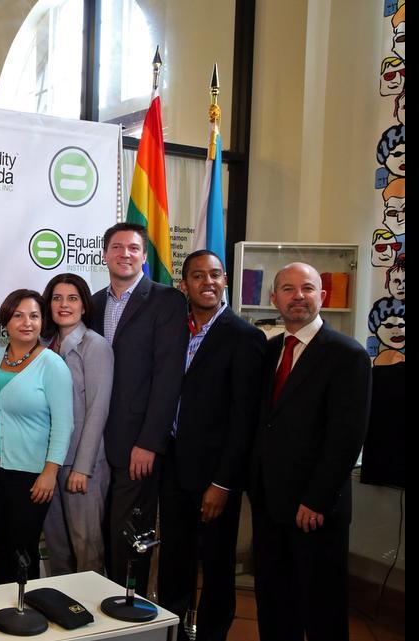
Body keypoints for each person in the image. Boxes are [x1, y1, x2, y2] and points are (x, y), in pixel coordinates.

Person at [249, 262, 371, 641]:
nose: (297, 296)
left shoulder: (346, 354)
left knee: (321, 609)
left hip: (314, 509)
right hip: (269, 503)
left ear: (323, 295)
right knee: (273, 601)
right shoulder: (270, 351)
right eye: (287, 289)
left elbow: (347, 437)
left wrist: (317, 500)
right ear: (274, 299)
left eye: (307, 288)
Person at [157, 250, 266, 641]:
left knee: (216, 566)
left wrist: (223, 482)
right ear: (183, 285)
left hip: (214, 477)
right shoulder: (175, 329)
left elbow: (244, 420)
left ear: (225, 281)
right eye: (198, 276)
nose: (208, 282)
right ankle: (173, 632)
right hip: (173, 466)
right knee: (173, 561)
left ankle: (212, 635)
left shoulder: (245, 337)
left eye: (215, 275)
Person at [88, 222, 188, 587]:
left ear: (145, 256)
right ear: (104, 255)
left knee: (129, 537)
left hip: (138, 446)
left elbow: (168, 378)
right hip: (96, 443)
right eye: (117, 247)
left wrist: (150, 442)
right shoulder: (93, 304)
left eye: (133, 248)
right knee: (100, 534)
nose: (125, 254)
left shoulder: (166, 301)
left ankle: (130, 613)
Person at [0, 289, 73, 584]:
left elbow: (63, 424)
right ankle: (2, 614)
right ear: (6, 321)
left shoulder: (52, 364)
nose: (26, 322)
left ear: (43, 322)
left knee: (22, 551)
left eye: (34, 316)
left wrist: (50, 472)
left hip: (30, 476)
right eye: (18, 315)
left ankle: (22, 613)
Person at [39, 273, 113, 576]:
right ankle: (62, 612)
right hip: (48, 464)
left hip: (81, 466)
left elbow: (98, 408)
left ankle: (91, 619)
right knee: (57, 549)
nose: (64, 305)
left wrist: (82, 468)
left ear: (84, 306)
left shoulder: (95, 346)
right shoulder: (43, 346)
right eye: (57, 298)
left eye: (72, 298)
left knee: (87, 549)